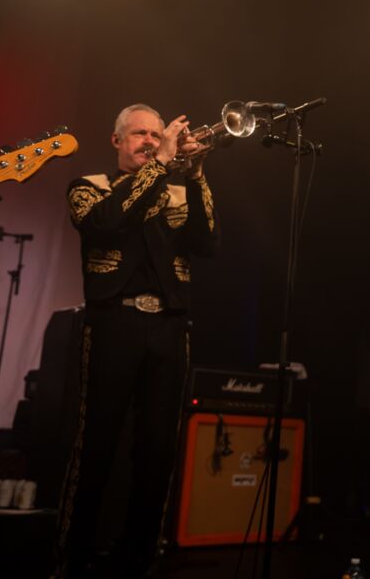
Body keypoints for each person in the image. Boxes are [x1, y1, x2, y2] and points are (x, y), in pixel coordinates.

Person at [55, 104, 219, 577]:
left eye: (155, 134)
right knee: (96, 445)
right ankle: (71, 560)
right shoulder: (89, 186)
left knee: (158, 451)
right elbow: (107, 222)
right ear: (117, 141)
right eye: (140, 134)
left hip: (169, 328)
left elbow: (208, 243)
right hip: (113, 325)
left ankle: (137, 560)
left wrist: (197, 174)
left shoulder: (178, 189)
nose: (150, 141)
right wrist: (161, 163)